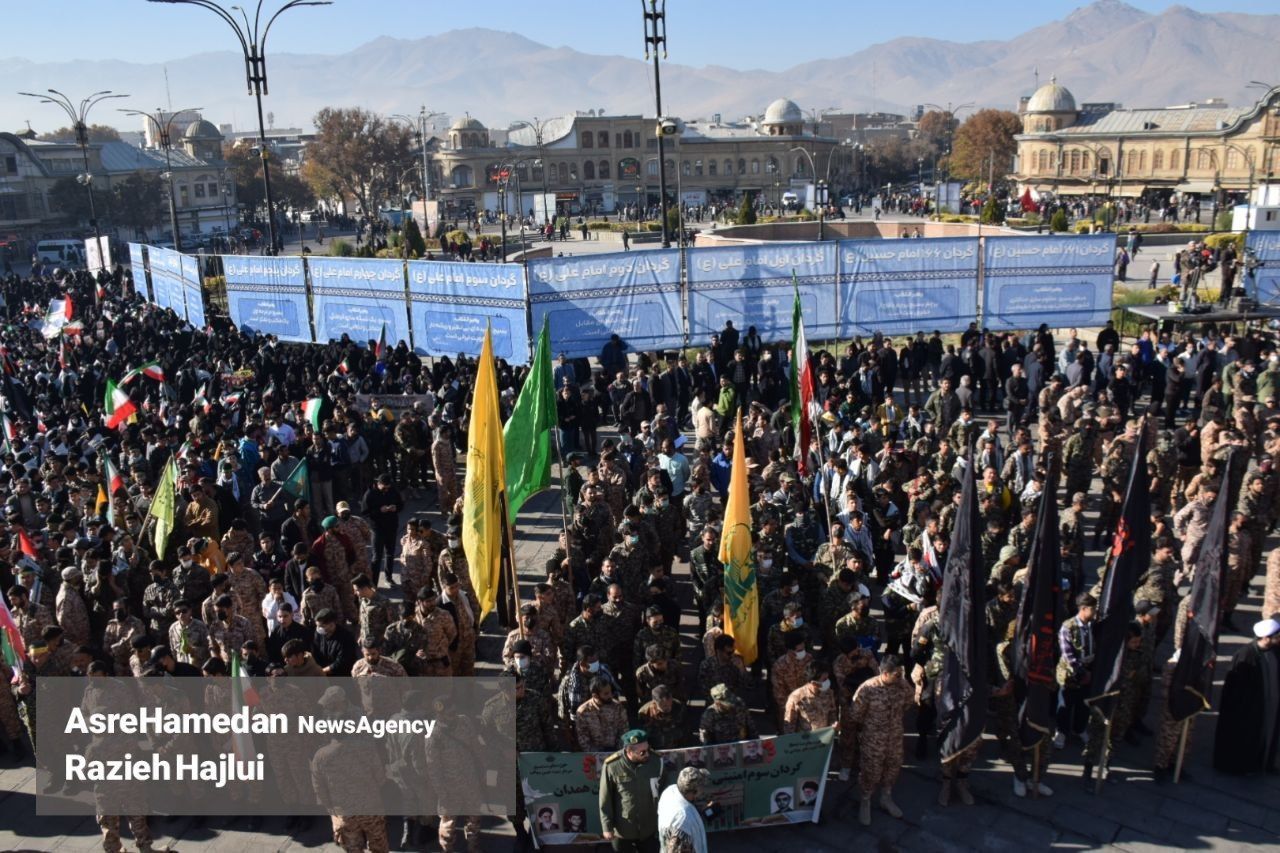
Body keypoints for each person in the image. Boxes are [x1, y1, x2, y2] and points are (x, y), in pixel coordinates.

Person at [1213, 616, 1280, 774]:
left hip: (1268, 705)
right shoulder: (1245, 655)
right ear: (1266, 638)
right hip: (1247, 708)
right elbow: (1234, 690)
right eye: (1277, 636)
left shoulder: (1275, 651)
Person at [598, 729, 663, 853]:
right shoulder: (612, 765)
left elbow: (665, 791)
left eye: (648, 749)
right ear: (629, 751)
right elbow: (605, 798)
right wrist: (607, 827)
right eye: (642, 752)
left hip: (648, 828)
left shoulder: (656, 762)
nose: (647, 754)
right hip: (623, 829)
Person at [657, 766, 712, 853]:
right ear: (694, 791)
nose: (703, 790)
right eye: (701, 787)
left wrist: (699, 811)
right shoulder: (683, 819)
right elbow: (676, 849)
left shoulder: (669, 791)